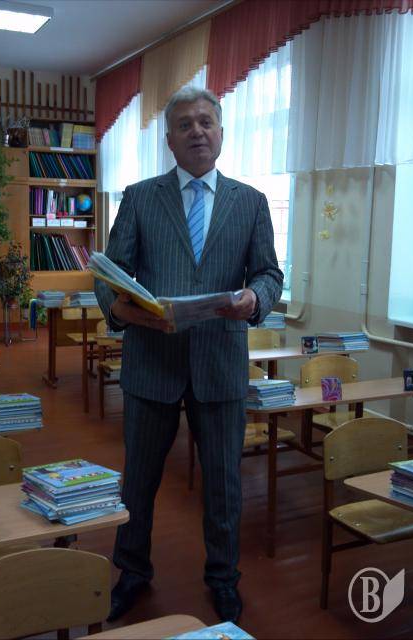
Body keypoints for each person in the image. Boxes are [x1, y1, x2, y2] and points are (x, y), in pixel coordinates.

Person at [95, 87, 283, 623]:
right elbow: (109, 274)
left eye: (206, 122)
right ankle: (132, 571)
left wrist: (255, 300)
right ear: (170, 140)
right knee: (139, 481)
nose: (197, 131)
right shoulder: (140, 197)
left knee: (223, 484)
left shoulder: (251, 202)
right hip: (152, 361)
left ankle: (224, 578)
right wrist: (123, 311)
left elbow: (269, 274)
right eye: (184, 124)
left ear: (221, 132)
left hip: (220, 364)